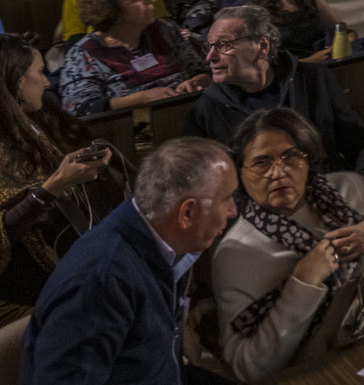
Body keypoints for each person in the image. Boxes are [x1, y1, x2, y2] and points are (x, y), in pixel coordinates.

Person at [212, 109, 364, 381]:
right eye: (262, 163)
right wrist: (302, 283)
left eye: (291, 156)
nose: (278, 172)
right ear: (239, 172)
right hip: (327, 367)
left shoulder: (350, 188)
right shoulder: (235, 255)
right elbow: (248, 369)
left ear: (308, 158)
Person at [22, 138, 238, 384]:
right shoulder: (101, 282)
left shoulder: (162, 243)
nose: (233, 211)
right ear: (187, 213)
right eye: (226, 199)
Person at [187, 4, 364, 187]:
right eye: (209, 46)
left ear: (262, 47)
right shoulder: (206, 111)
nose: (210, 56)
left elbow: (360, 142)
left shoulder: (315, 78)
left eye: (223, 45)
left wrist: (363, 189)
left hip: (333, 196)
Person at [0, 35, 120, 322]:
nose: (46, 81)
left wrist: (78, 169)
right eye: (40, 72)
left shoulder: (33, 121)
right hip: (24, 281)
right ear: (17, 81)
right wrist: (53, 187)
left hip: (62, 255)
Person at [59, 0, 209, 115]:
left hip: (185, 112)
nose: (151, 1)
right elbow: (80, 109)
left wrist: (194, 83)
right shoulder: (83, 53)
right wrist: (141, 99)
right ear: (113, 11)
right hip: (129, 129)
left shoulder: (164, 30)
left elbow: (203, 71)